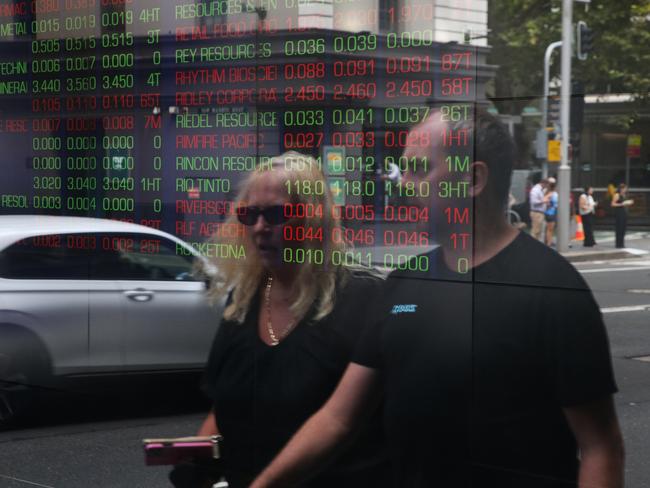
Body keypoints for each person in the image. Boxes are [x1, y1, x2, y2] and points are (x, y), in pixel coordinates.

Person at [250, 111, 624, 488]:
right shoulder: (402, 284)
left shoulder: (553, 290)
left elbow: (600, 447)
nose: (404, 183)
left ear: (472, 179)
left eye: (418, 169)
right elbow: (339, 418)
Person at [173, 152, 388, 487]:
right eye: (249, 214)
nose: (260, 227)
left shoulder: (362, 298)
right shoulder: (244, 299)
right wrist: (195, 459)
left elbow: (343, 421)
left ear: (314, 218)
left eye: (276, 214)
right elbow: (224, 409)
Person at [611, 183, 633, 248]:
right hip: (619, 213)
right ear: (621, 189)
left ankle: (622, 243)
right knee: (619, 228)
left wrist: (628, 202)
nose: (626, 190)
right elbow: (612, 204)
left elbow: (624, 203)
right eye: (625, 188)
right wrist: (621, 204)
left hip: (624, 213)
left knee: (623, 228)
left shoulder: (624, 195)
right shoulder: (617, 195)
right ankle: (618, 244)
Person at [543, 180, 558, 246]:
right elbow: (543, 200)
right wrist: (548, 203)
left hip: (552, 212)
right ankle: (548, 243)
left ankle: (549, 242)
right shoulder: (552, 194)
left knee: (551, 229)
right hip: (550, 213)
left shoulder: (553, 193)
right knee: (550, 229)